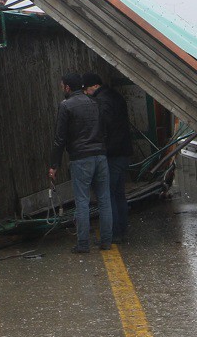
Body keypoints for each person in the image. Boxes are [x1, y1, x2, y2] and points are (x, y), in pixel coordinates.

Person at [48, 74, 110, 253]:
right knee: (104, 200)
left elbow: (59, 138)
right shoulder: (95, 102)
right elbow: (104, 129)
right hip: (100, 156)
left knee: (82, 201)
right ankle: (106, 241)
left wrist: (54, 165)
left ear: (67, 88)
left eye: (62, 86)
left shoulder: (66, 106)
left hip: (81, 158)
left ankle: (83, 244)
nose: (62, 89)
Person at [84, 73, 134, 245]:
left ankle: (114, 233)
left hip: (112, 153)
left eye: (87, 89)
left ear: (94, 86)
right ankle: (123, 230)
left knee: (108, 194)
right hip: (124, 151)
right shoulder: (116, 96)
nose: (86, 93)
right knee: (119, 193)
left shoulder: (102, 101)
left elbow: (104, 125)